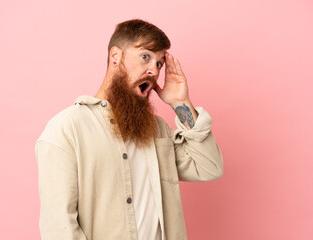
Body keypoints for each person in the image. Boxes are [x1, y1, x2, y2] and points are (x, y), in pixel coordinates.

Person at [35, 19, 223, 240]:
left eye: (160, 63)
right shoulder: (66, 129)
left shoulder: (158, 129)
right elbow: (58, 228)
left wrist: (180, 103)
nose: (154, 70)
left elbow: (209, 167)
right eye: (145, 57)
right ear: (116, 56)